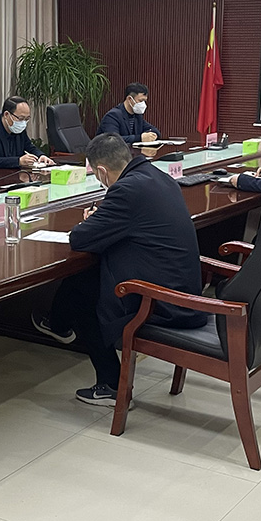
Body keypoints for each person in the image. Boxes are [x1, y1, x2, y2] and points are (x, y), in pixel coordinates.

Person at [31, 133, 206, 405]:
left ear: (101, 171)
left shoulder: (126, 190)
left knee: (85, 293)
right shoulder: (156, 176)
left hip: (164, 304)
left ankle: (110, 383)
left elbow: (80, 239)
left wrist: (92, 221)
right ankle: (58, 325)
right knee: (86, 279)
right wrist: (102, 219)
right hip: (184, 289)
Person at [0, 96, 55, 172]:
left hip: (12, 174)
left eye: (27, 119)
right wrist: (18, 161)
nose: (23, 123)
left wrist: (41, 155)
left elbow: (29, 146)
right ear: (7, 115)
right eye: (21, 118)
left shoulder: (18, 129)